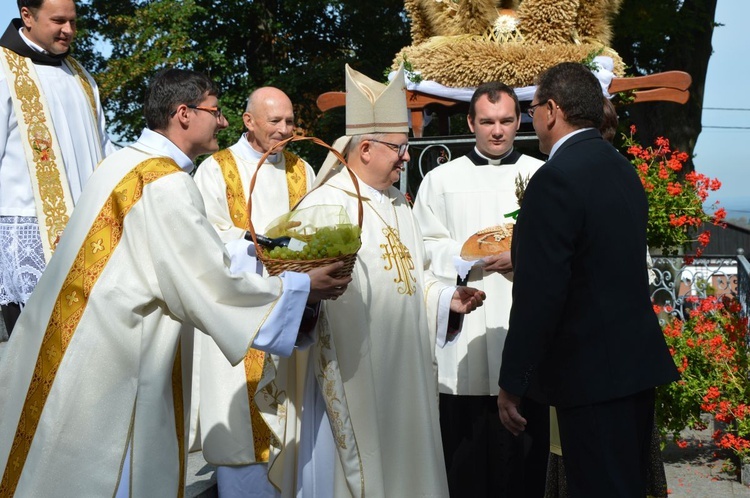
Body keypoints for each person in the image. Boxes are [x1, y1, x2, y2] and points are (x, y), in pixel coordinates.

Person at [0, 68, 350, 497]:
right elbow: (211, 284)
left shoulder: (122, 163)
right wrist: (302, 288)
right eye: (215, 111)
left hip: (74, 344)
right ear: (184, 114)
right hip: (116, 361)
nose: (222, 122)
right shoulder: (166, 184)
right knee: (111, 478)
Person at [259, 64, 486, 497]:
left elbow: (413, 277)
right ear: (365, 148)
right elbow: (299, 299)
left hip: (404, 371)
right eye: (399, 148)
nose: (406, 157)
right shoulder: (325, 206)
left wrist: (444, 299)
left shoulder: (400, 202)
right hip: (348, 373)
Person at [497, 62, 679, 497]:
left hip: (591, 375)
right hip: (633, 368)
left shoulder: (555, 179)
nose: (531, 117)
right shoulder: (621, 168)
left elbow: (541, 295)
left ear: (552, 110)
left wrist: (512, 381)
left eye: (532, 107)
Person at [412, 81, 546, 497]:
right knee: (464, 462)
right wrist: (468, 255)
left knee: (525, 464)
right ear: (471, 122)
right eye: (487, 121)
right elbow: (422, 245)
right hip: (463, 334)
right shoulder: (439, 180)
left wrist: (522, 257)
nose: (497, 131)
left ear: (520, 119)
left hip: (521, 326)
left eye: (507, 120)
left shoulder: (540, 175)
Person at [193, 86, 316, 497]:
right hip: (241, 314)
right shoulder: (215, 169)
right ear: (249, 122)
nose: (285, 130)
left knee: (295, 428)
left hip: (294, 309)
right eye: (274, 121)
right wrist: (258, 247)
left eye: (289, 120)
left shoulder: (303, 169)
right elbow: (205, 239)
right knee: (246, 445)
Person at [0, 0, 116, 335]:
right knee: (29, 355)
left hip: (85, 232)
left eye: (73, 22)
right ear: (27, 16)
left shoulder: (80, 76)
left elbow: (104, 147)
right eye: (58, 21)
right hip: (26, 231)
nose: (69, 30)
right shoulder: (4, 68)